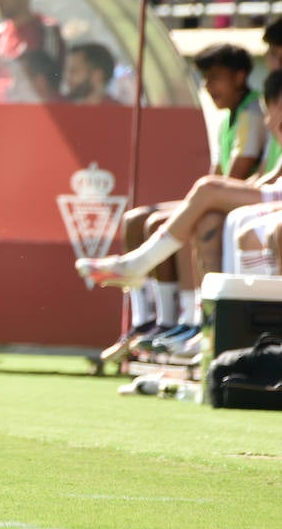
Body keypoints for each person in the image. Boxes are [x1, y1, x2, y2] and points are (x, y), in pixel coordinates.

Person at [77, 42, 264, 359]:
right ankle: (152, 323)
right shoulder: (229, 117)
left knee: (179, 221)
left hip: (246, 203)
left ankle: (191, 322)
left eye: (215, 77)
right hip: (236, 196)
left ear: (240, 76)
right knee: (137, 220)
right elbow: (217, 175)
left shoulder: (252, 113)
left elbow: (233, 178)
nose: (208, 87)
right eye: (205, 79)